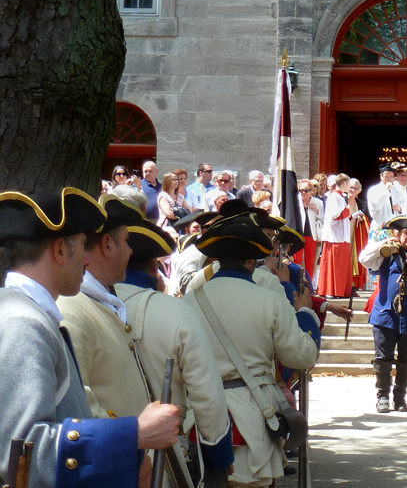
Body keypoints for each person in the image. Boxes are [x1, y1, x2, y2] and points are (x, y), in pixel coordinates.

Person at [0, 187, 182, 488]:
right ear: (59, 250)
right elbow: (21, 453)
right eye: (84, 245)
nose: (88, 259)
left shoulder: (28, 314)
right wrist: (134, 434)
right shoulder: (24, 323)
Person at [184, 212, 321, 487]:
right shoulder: (270, 300)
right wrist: (305, 312)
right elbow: (301, 355)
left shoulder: (189, 301)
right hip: (254, 413)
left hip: (197, 414)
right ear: (251, 260)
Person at [116, 220, 235, 485]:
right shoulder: (176, 312)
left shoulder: (81, 306)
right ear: (153, 267)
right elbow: (208, 396)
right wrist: (219, 456)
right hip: (161, 458)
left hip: (98, 454)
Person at [56, 195, 152, 422]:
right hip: (118, 454)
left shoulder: (100, 300)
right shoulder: (71, 310)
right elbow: (81, 405)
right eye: (126, 241)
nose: (130, 251)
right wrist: (132, 445)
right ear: (108, 244)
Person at [359, 216, 407, 413]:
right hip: (385, 315)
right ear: (398, 235)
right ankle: (382, 396)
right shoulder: (386, 254)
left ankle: (400, 398)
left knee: (406, 360)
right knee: (382, 358)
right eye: (405, 233)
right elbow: (364, 259)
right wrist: (384, 244)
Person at [318, 174, 353, 298]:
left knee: (341, 265)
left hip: (341, 235)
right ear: (344, 183)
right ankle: (331, 291)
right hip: (335, 237)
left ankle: (340, 290)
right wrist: (348, 210)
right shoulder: (334, 197)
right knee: (335, 264)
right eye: (349, 184)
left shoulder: (340, 197)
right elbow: (335, 216)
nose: (349, 187)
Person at [295, 179, 323, 277]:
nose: (304, 193)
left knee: (310, 261)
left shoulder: (318, 202)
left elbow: (323, 218)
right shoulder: (295, 201)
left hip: (311, 234)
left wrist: (315, 210)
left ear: (311, 190)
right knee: (297, 261)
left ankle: (309, 284)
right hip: (298, 234)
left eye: (306, 190)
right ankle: (297, 283)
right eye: (301, 190)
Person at [367, 163, 403, 231]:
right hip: (379, 226)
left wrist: (401, 208)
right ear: (381, 177)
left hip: (395, 227)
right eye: (386, 177)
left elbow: (405, 203)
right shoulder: (374, 190)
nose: (389, 180)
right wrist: (386, 190)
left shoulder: (397, 190)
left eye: (391, 177)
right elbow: (375, 206)